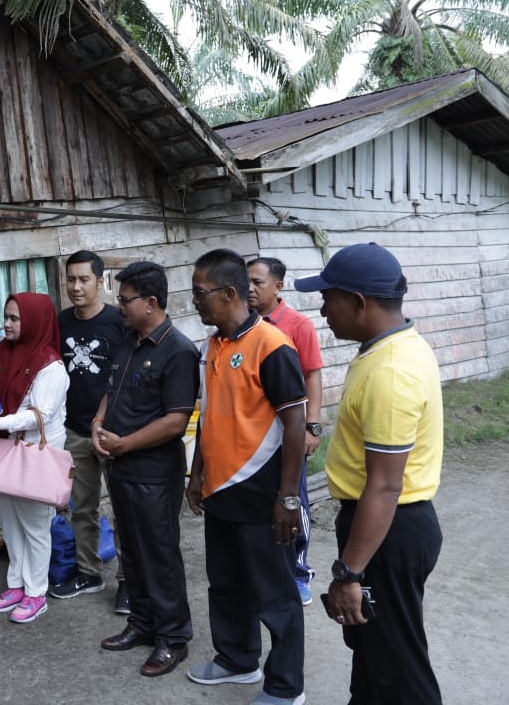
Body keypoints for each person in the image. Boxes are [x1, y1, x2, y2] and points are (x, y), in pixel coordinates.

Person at [294, 243, 443, 704]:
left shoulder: (391, 371)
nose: (322, 307)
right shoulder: (389, 348)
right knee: (374, 656)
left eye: (329, 296)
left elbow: (384, 483)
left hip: (388, 530)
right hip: (382, 524)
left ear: (359, 302)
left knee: (400, 666)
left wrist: (349, 572)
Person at [185, 249, 307, 705]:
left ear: (229, 293)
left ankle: (285, 686)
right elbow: (210, 416)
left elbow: (294, 423)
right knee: (226, 583)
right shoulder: (213, 345)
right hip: (220, 490)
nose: (194, 302)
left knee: (274, 593)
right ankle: (237, 660)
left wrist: (289, 498)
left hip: (262, 494)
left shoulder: (272, 346)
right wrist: (196, 473)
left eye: (200, 294)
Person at [95, 261, 199, 677]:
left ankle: (173, 639)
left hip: (154, 471)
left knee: (159, 554)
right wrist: (99, 423)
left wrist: (124, 444)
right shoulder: (127, 340)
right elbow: (111, 389)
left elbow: (176, 420)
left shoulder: (178, 351)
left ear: (151, 302)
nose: (119, 306)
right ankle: (141, 624)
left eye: (125, 300)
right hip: (121, 466)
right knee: (133, 553)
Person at [0, 292, 69, 624]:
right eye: (6, 316)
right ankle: (16, 584)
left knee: (35, 526)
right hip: (4, 449)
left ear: (34, 322)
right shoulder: (1, 353)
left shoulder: (50, 365)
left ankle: (36, 593)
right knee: (10, 522)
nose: (8, 323)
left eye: (15, 318)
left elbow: (38, 414)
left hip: (34, 453)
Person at [49, 251, 129, 612]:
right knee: (82, 508)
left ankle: (130, 580)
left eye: (84, 279)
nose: (76, 287)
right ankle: (88, 572)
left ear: (101, 280)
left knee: (126, 509)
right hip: (75, 431)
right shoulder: (61, 322)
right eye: (70, 279)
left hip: (114, 433)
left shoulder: (119, 321)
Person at [248, 257, 324, 605]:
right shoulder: (243, 325)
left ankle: (298, 572)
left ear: (278, 286)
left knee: (295, 500)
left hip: (290, 434)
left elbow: (312, 374)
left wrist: (312, 426)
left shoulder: (297, 325)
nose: (250, 288)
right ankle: (266, 571)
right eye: (246, 281)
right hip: (254, 438)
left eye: (257, 282)